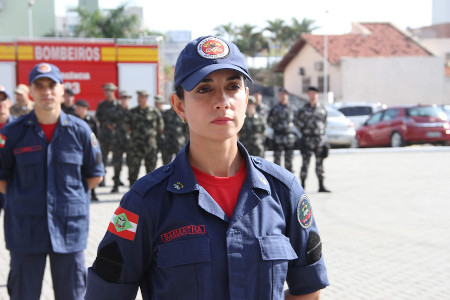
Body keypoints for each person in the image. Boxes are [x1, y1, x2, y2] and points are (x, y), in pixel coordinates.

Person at [85, 35, 328, 299]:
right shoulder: (147, 201)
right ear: (179, 105)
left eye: (233, 87)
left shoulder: (283, 191)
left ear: (246, 98)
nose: (222, 101)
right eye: (204, 89)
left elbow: (309, 291)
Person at [0, 62, 104, 300]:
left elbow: (95, 174)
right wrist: (25, 197)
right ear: (31, 92)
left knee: (72, 294)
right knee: (23, 294)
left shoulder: (81, 131)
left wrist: (66, 197)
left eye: (51, 86)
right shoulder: (12, 133)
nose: (46, 91)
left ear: (62, 90)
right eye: (39, 86)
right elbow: (2, 177)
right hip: (25, 230)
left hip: (69, 230)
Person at [295, 86, 330, 193]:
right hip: (307, 140)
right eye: (311, 93)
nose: (313, 96)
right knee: (305, 164)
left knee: (320, 164)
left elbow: (324, 122)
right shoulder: (303, 109)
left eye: (314, 94)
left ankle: (321, 186)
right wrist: (303, 130)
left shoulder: (322, 108)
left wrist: (321, 134)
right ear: (308, 95)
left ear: (317, 95)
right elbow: (296, 121)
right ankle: (302, 186)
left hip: (319, 140)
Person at [125, 90, 164, 185]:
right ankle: (132, 192)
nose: (140, 99)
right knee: (133, 170)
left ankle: (149, 194)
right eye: (139, 97)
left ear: (147, 98)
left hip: (150, 145)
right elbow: (126, 126)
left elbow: (161, 126)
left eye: (142, 97)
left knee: (151, 172)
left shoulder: (154, 111)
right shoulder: (132, 112)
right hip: (135, 145)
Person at [74, 99, 101, 201]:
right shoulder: (73, 119)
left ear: (85, 109)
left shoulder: (91, 120)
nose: (77, 109)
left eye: (79, 107)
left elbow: (97, 136)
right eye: (76, 107)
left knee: (91, 171)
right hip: (77, 150)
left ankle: (93, 193)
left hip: (89, 150)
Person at [267, 87, 297, 172]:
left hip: (289, 137)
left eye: (285, 94)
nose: (283, 96)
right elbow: (269, 121)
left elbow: (296, 120)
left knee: (289, 160)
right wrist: (277, 128)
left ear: (287, 96)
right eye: (282, 94)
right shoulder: (274, 109)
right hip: (278, 137)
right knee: (277, 161)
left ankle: (289, 182)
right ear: (279, 96)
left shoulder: (292, 108)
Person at [96, 82, 120, 187]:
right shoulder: (101, 105)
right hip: (104, 136)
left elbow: (123, 120)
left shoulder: (119, 105)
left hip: (116, 137)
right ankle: (102, 179)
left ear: (113, 92)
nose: (108, 93)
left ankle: (116, 180)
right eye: (106, 91)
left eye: (110, 91)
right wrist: (107, 124)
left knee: (117, 160)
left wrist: (114, 125)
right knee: (103, 159)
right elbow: (98, 119)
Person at [111, 90, 132, 193]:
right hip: (117, 141)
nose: (124, 99)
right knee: (117, 163)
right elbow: (108, 123)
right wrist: (116, 131)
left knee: (131, 163)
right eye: (123, 97)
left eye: (126, 97)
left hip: (130, 142)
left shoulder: (132, 111)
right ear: (120, 99)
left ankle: (131, 185)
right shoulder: (115, 110)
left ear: (129, 99)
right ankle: (116, 184)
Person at [0, 85, 15, 217]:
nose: (0, 103)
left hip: (12, 184)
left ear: (9, 102)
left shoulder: (20, 128)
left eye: (3, 99)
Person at [160, 96, 189, 165]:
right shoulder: (165, 114)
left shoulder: (184, 114)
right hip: (167, 143)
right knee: (166, 166)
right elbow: (161, 128)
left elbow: (186, 130)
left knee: (181, 165)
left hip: (179, 144)